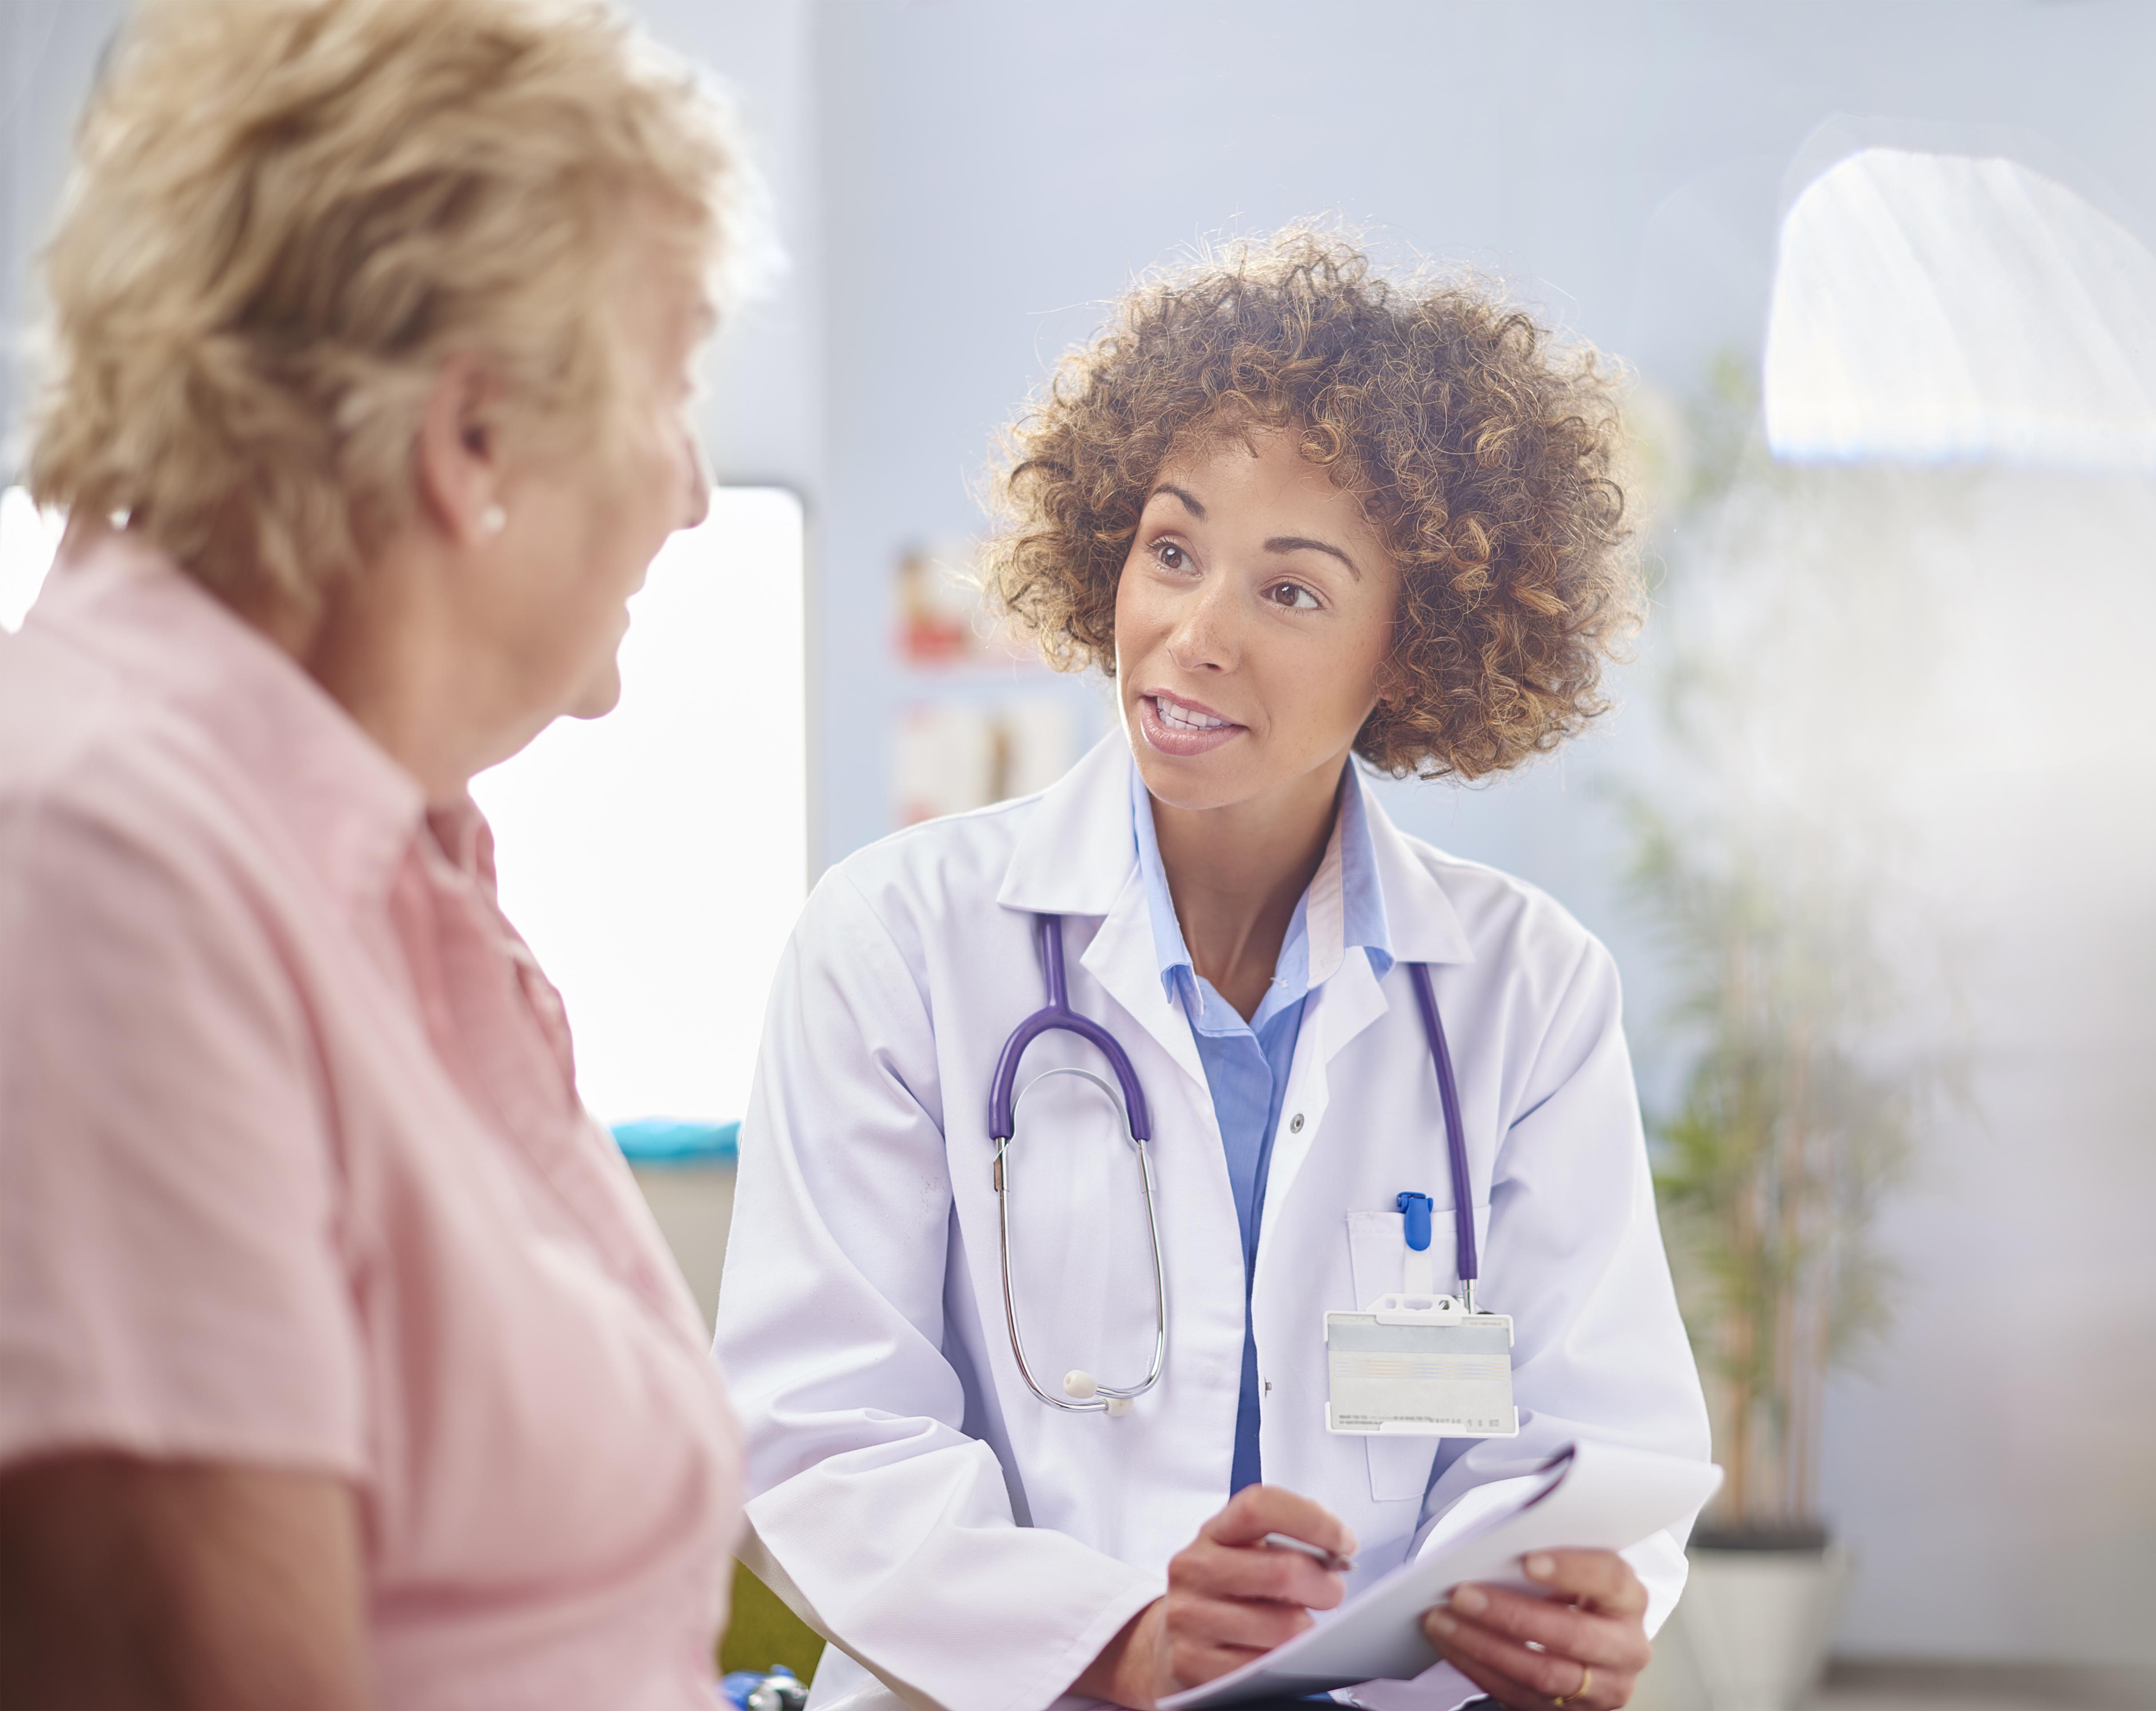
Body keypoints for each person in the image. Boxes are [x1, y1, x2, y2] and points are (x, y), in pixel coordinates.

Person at [713, 232, 1712, 1711]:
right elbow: (825, 1432)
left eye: (1292, 592)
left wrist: (1573, 1603)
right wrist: (1124, 1646)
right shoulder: (897, 941)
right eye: (1171, 551)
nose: (1193, 634)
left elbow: (1587, 1436)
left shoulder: (1524, 990)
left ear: (1415, 647)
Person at [0, 0, 752, 1704]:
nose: (696, 492)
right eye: (676, 387)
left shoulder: (379, 862)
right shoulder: (99, 861)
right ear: (472, 440)